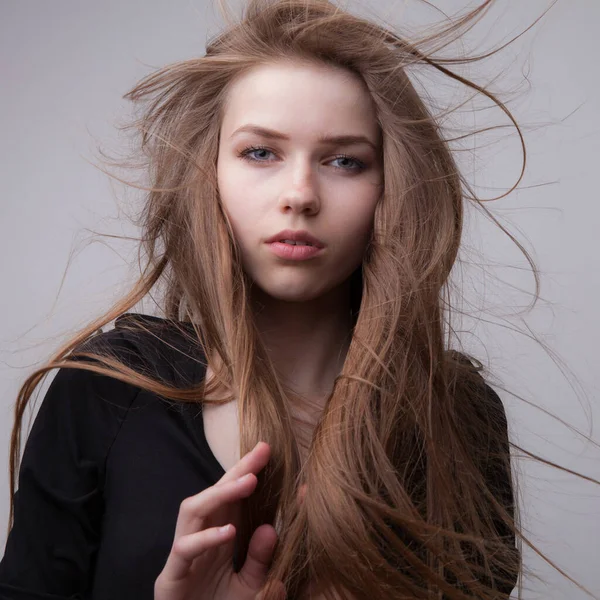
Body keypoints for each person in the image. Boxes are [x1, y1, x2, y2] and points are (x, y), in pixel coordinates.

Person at [0, 0, 544, 598]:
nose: (300, 194)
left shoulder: (460, 418)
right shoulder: (107, 388)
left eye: (344, 160)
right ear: (208, 171)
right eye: (260, 152)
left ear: (393, 186)